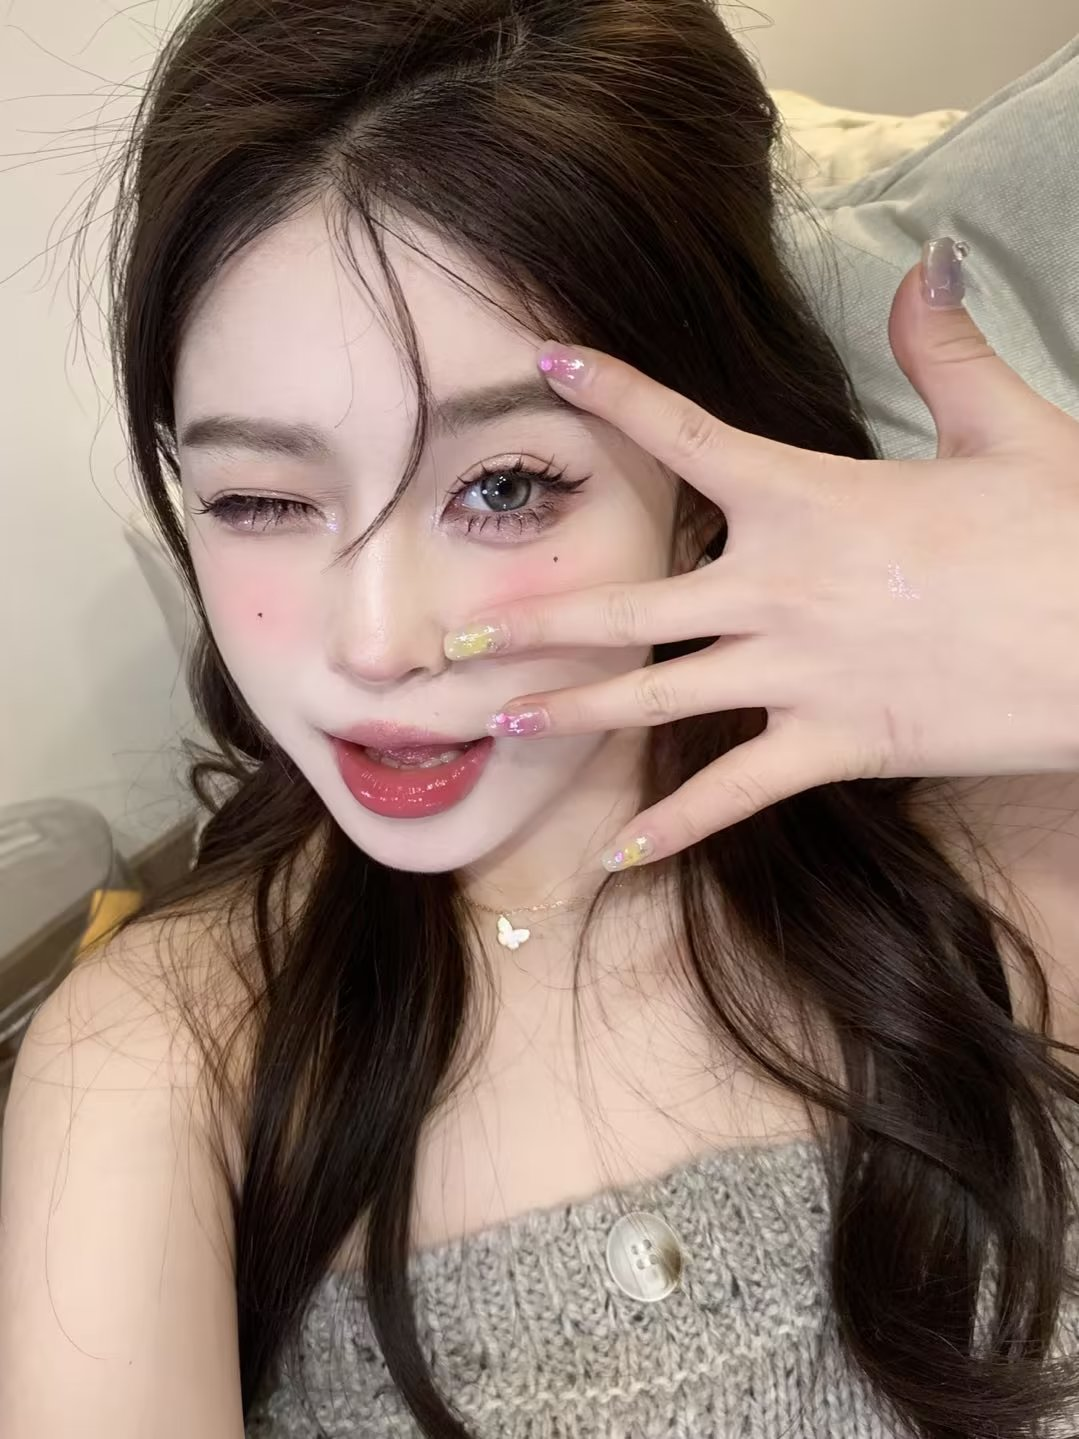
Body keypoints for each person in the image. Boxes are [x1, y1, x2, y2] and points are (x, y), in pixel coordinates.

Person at [2, 2, 1079, 1437]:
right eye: (258, 499)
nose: (375, 645)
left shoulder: (1003, 845)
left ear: (697, 480)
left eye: (504, 487)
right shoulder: (165, 1061)